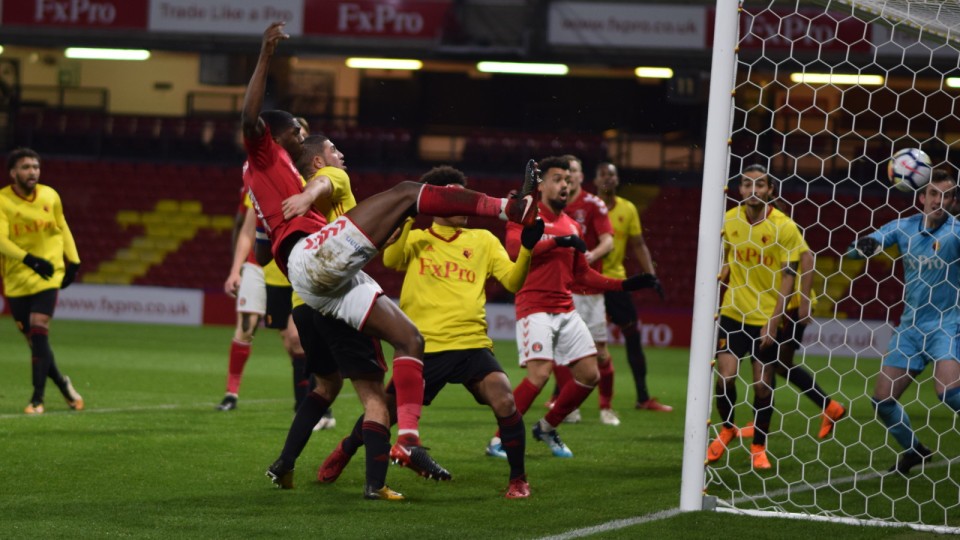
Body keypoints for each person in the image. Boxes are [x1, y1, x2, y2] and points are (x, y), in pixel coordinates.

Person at [244, 22, 539, 487]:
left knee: (407, 343)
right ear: (279, 136)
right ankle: (509, 208)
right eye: (300, 130)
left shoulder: (284, 175)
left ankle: (402, 446)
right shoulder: (272, 157)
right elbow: (304, 164)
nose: (306, 132)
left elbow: (330, 223)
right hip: (314, 262)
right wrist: (265, 55)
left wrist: (305, 202)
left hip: (328, 281)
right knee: (405, 191)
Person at [316, 166, 541, 499]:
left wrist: (526, 249)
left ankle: (518, 479)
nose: (461, 205)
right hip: (423, 348)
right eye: (452, 198)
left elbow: (512, 282)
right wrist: (410, 215)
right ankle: (347, 448)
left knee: (505, 399)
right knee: (384, 413)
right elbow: (391, 259)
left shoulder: (483, 240)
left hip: (471, 343)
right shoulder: (418, 237)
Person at [265, 134, 403, 499]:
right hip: (336, 302)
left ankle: (284, 463)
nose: (341, 155)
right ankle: (376, 484)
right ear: (317, 161)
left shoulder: (319, 202)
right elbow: (323, 183)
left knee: (326, 386)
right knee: (374, 396)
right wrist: (307, 194)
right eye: (333, 150)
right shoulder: (332, 178)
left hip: (303, 304)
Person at [502, 156, 661, 458]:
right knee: (539, 375)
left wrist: (626, 285)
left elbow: (583, 275)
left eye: (568, 179)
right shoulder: (522, 214)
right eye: (558, 179)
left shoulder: (573, 225)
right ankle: (499, 439)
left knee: (590, 374)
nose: (565, 184)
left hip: (565, 307)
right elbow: (514, 251)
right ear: (541, 185)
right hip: (534, 305)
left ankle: (547, 427)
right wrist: (558, 242)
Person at [849, 169, 960, 475]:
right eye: (933, 194)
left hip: (945, 326)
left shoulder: (956, 233)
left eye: (946, 196)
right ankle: (914, 451)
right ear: (921, 197)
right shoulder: (902, 228)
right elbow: (853, 251)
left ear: (953, 201)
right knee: (882, 401)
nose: (939, 201)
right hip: (909, 329)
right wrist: (864, 248)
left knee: (950, 393)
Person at [707, 164, 804, 470]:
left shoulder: (784, 227)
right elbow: (726, 257)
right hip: (733, 312)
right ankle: (727, 428)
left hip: (765, 317)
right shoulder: (728, 219)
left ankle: (759, 446)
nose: (753, 190)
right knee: (725, 378)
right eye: (747, 184)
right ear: (739, 189)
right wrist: (719, 277)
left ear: (770, 190)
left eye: (759, 185)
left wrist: (775, 320)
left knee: (762, 385)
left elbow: (789, 276)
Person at [1, 148, 83, 414]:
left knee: (39, 327)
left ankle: (37, 400)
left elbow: (62, 225)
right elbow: (1, 240)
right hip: (16, 280)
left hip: (48, 275)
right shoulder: (2, 200)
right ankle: (63, 384)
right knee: (35, 342)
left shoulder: (50, 195)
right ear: (13, 173)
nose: (32, 172)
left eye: (36, 167)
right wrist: (29, 260)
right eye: (26, 167)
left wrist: (74, 261)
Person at [593, 162, 671, 412]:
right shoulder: (586, 206)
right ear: (595, 180)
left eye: (612, 174)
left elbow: (638, 244)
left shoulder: (628, 209)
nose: (608, 178)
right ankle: (557, 394)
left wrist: (651, 276)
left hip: (616, 281)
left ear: (617, 180)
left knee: (633, 336)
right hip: (588, 282)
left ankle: (643, 397)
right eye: (603, 174)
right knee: (573, 337)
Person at [549, 154, 618, 426]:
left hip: (589, 291)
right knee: (559, 351)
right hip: (560, 288)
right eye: (564, 173)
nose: (570, 176)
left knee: (599, 352)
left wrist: (590, 256)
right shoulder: (551, 204)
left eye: (574, 171)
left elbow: (608, 242)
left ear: (580, 176)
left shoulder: (593, 204)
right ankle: (569, 407)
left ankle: (606, 408)